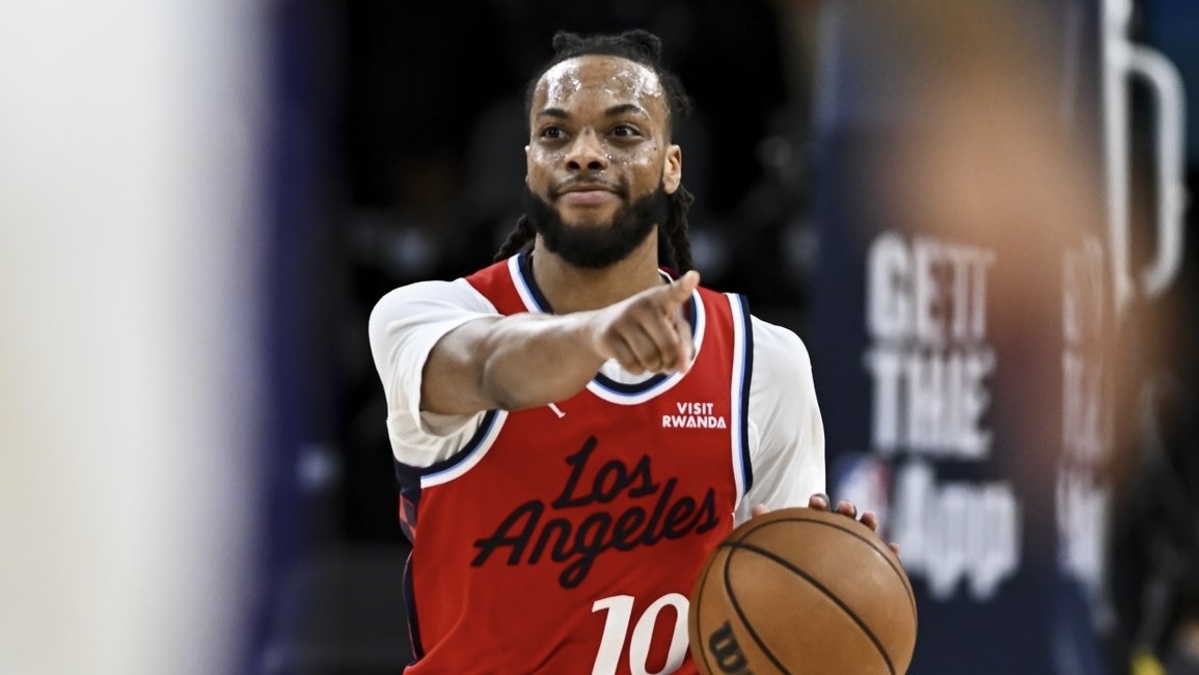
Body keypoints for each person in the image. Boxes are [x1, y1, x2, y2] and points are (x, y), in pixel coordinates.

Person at [368, 28, 889, 674]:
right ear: (529, 162)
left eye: (622, 132)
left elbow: (768, 618)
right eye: (556, 134)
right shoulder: (427, 315)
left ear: (672, 165)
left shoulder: (763, 362)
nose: (584, 153)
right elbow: (488, 366)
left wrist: (829, 590)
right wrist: (594, 335)